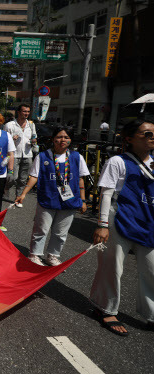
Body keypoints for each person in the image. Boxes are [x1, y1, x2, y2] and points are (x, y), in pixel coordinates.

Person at [89, 119, 154, 337]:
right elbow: (106, 194)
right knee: (113, 268)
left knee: (152, 270)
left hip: (148, 222)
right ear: (129, 138)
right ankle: (106, 309)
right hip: (120, 219)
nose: (152, 137)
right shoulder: (117, 161)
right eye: (146, 134)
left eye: (153, 133)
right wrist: (102, 224)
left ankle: (151, 314)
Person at [15, 127, 89, 266]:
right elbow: (34, 176)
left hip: (70, 201)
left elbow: (80, 179)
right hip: (48, 198)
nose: (63, 140)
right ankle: (34, 254)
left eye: (66, 137)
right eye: (59, 137)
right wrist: (23, 194)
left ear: (70, 140)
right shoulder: (42, 157)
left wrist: (83, 200)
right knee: (41, 229)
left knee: (61, 232)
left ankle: (53, 255)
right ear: (53, 139)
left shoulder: (76, 157)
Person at [3, 104, 36, 207]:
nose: (26, 113)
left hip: (27, 154)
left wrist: (34, 141)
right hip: (14, 155)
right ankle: (6, 187)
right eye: (24, 111)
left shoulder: (31, 125)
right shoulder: (9, 125)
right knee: (13, 178)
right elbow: (3, 141)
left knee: (23, 179)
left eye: (28, 112)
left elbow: (34, 136)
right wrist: (12, 139)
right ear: (18, 112)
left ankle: (18, 198)